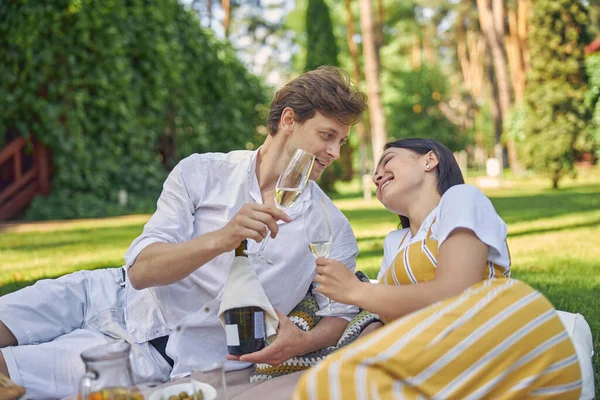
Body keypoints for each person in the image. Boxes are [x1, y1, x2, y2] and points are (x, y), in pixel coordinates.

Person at [0, 66, 368, 399]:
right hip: (103, 293)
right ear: (289, 120)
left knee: (8, 374)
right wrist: (223, 238)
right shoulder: (201, 172)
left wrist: (302, 342)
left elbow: (337, 315)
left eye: (341, 141)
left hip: (153, 356)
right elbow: (141, 272)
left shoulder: (331, 227)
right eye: (327, 135)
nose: (334, 151)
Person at [294, 138, 583, 399]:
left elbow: (457, 293)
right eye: (375, 172)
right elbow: (389, 317)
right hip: (426, 349)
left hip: (481, 337)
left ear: (429, 160)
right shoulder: (395, 242)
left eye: (388, 160)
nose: (376, 175)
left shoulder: (460, 199)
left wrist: (357, 292)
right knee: (324, 384)